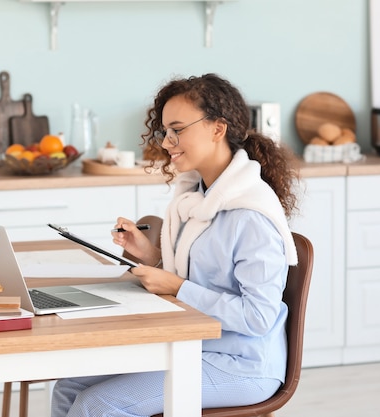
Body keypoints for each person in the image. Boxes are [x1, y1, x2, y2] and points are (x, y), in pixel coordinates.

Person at [51, 73, 300, 417]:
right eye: (165, 131)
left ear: (217, 128)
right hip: (194, 344)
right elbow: (201, 277)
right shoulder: (197, 197)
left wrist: (178, 287)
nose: (167, 142)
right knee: (70, 387)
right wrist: (151, 257)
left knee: (98, 403)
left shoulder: (251, 216)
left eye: (178, 129)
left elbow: (258, 317)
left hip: (241, 364)